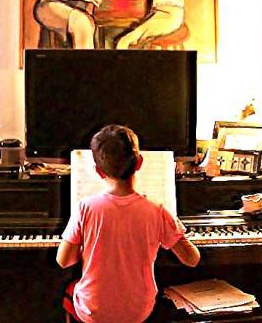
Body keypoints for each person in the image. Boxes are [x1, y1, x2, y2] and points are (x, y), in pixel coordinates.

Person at [56, 124, 200, 323]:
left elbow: (64, 261)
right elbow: (192, 259)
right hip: (138, 311)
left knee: (71, 289)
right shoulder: (156, 209)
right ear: (139, 162)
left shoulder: (85, 208)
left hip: (94, 312)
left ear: (98, 171)